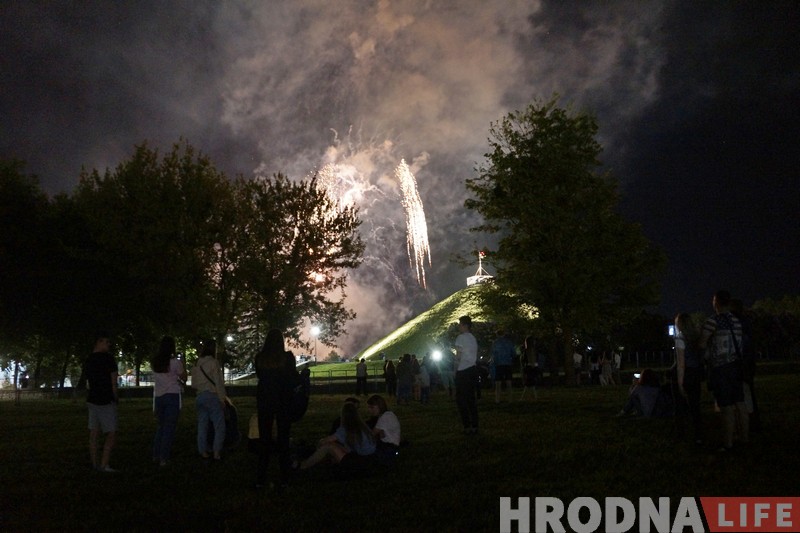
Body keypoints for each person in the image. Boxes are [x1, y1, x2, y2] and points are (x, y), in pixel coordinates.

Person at [700, 290, 749, 452]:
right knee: (740, 403)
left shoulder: (712, 321)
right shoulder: (736, 321)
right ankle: (744, 439)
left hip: (720, 368)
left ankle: (728, 444)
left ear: (716, 302)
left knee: (726, 407)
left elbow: (702, 344)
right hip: (736, 366)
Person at [254, 329, 296, 490]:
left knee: (264, 439)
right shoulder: (288, 358)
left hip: (265, 400)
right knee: (283, 439)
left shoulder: (260, 358)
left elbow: (259, 376)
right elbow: (292, 377)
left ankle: (260, 478)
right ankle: (285, 478)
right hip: (283, 401)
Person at [297, 402, 376, 473]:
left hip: (360, 462)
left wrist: (319, 444)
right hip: (369, 460)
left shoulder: (346, 429)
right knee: (331, 445)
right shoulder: (363, 427)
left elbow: (325, 441)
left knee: (328, 446)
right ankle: (317, 461)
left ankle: (303, 465)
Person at [84, 332, 119, 472]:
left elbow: (88, 381)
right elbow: (113, 382)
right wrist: (115, 397)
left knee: (94, 432)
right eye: (106, 342)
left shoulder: (88, 360)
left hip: (92, 399)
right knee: (111, 432)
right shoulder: (109, 359)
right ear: (99, 342)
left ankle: (94, 463)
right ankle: (104, 464)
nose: (108, 344)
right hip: (106, 399)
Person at [151, 336, 186, 466]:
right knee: (169, 428)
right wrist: (183, 362)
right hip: (172, 395)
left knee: (161, 426)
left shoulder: (155, 362)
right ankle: (164, 458)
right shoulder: (175, 362)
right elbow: (183, 377)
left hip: (159, 397)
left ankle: (156, 454)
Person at [191, 340, 226, 460]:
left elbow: (194, 384)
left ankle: (203, 451)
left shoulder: (197, 363)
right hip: (212, 396)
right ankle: (217, 451)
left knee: (202, 425)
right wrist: (222, 398)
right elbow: (218, 382)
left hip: (200, 396)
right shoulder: (214, 363)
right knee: (219, 425)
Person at [730, 298, 761, 432]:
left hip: (741, 362)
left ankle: (744, 423)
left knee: (741, 395)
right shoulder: (747, 321)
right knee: (749, 392)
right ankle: (753, 420)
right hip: (748, 362)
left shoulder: (735, 322)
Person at [674, 313, 704, 444]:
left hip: (686, 373)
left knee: (680, 405)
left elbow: (681, 363)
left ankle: (681, 433)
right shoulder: (696, 337)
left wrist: (680, 382)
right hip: (696, 372)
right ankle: (698, 434)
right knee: (695, 405)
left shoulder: (680, 338)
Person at [454, 315, 479, 434]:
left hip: (463, 370)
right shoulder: (473, 338)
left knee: (461, 400)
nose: (459, 326)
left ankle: (467, 426)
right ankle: (475, 425)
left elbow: (458, 356)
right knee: (471, 399)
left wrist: (455, 366)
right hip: (472, 370)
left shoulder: (460, 338)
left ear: (465, 326)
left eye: (460, 324)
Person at [366, 394, 401, 466]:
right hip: (391, 447)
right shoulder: (388, 415)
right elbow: (381, 435)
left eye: (372, 407)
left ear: (379, 406)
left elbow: (371, 435)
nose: (370, 410)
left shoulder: (384, 418)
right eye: (369, 407)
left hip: (389, 449)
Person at [491, 329, 515, 402]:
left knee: (498, 382)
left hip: (498, 364)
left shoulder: (495, 343)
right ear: (504, 334)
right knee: (509, 382)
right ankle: (510, 399)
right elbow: (513, 353)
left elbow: (493, 354)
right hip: (508, 363)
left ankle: (497, 399)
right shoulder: (509, 342)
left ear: (497, 335)